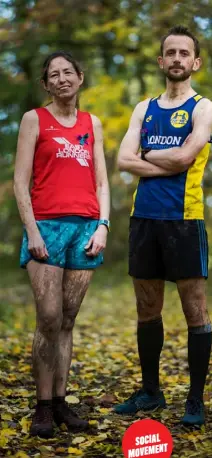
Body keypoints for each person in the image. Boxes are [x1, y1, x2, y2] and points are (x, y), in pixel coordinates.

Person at [115, 25, 212, 427]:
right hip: (144, 220)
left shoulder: (203, 107)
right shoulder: (144, 108)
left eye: (184, 53)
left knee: (195, 310)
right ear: (161, 62)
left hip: (184, 219)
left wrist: (151, 154)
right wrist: (166, 156)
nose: (176, 59)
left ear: (195, 62)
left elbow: (186, 159)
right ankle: (151, 392)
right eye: (170, 53)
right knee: (146, 309)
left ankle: (195, 399)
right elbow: (123, 160)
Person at [13, 51, 110, 438]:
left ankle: (59, 402)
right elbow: (21, 181)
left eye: (68, 72)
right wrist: (32, 231)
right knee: (49, 318)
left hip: (86, 228)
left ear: (80, 78)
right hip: (47, 227)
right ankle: (41, 406)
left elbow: (102, 182)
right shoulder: (34, 120)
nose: (62, 79)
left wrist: (102, 226)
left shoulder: (92, 123)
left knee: (68, 321)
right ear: (46, 84)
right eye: (54, 75)